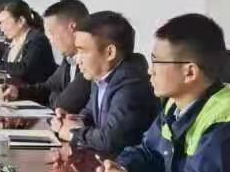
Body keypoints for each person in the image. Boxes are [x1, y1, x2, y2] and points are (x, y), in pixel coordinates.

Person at [96, 13, 230, 172]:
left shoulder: (226, 119)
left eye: (157, 62)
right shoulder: (175, 103)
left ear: (189, 72)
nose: (150, 71)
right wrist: (120, 166)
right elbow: (150, 151)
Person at [53, 11, 157, 154]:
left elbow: (110, 140)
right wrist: (74, 120)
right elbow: (90, 114)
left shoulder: (132, 85)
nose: (78, 59)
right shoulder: (101, 76)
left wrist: (73, 134)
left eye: (83, 51)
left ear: (110, 53)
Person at [2, 0, 91, 113]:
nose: (51, 40)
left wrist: (53, 95)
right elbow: (48, 87)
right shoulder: (69, 58)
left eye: (52, 33)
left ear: (72, 28)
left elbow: (63, 104)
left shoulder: (90, 62)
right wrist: (18, 92)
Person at [0, 0, 55, 86]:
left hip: (32, 92)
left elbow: (23, 69)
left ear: (21, 21)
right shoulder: (12, 39)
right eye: (0, 23)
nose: (1, 29)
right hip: (14, 88)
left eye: (4, 22)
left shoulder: (38, 40)